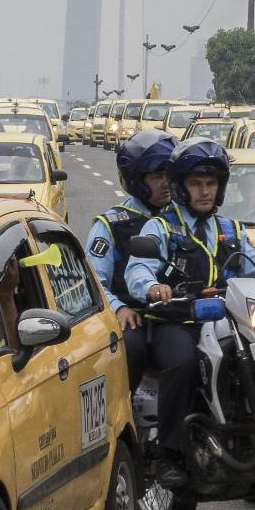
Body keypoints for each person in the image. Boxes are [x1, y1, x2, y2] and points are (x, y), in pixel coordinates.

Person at [124, 138, 255, 488]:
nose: (205, 191)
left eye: (211, 184)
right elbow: (138, 268)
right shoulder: (160, 228)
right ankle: (169, 452)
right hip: (178, 321)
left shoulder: (230, 229)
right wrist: (151, 287)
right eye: (196, 184)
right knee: (183, 361)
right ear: (181, 187)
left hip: (227, 320)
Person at [85, 129, 177, 392]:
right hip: (134, 314)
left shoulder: (184, 218)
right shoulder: (112, 224)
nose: (165, 183)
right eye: (157, 176)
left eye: (168, 175)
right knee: (131, 348)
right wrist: (119, 309)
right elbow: (94, 281)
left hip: (179, 315)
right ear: (137, 180)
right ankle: (127, 415)